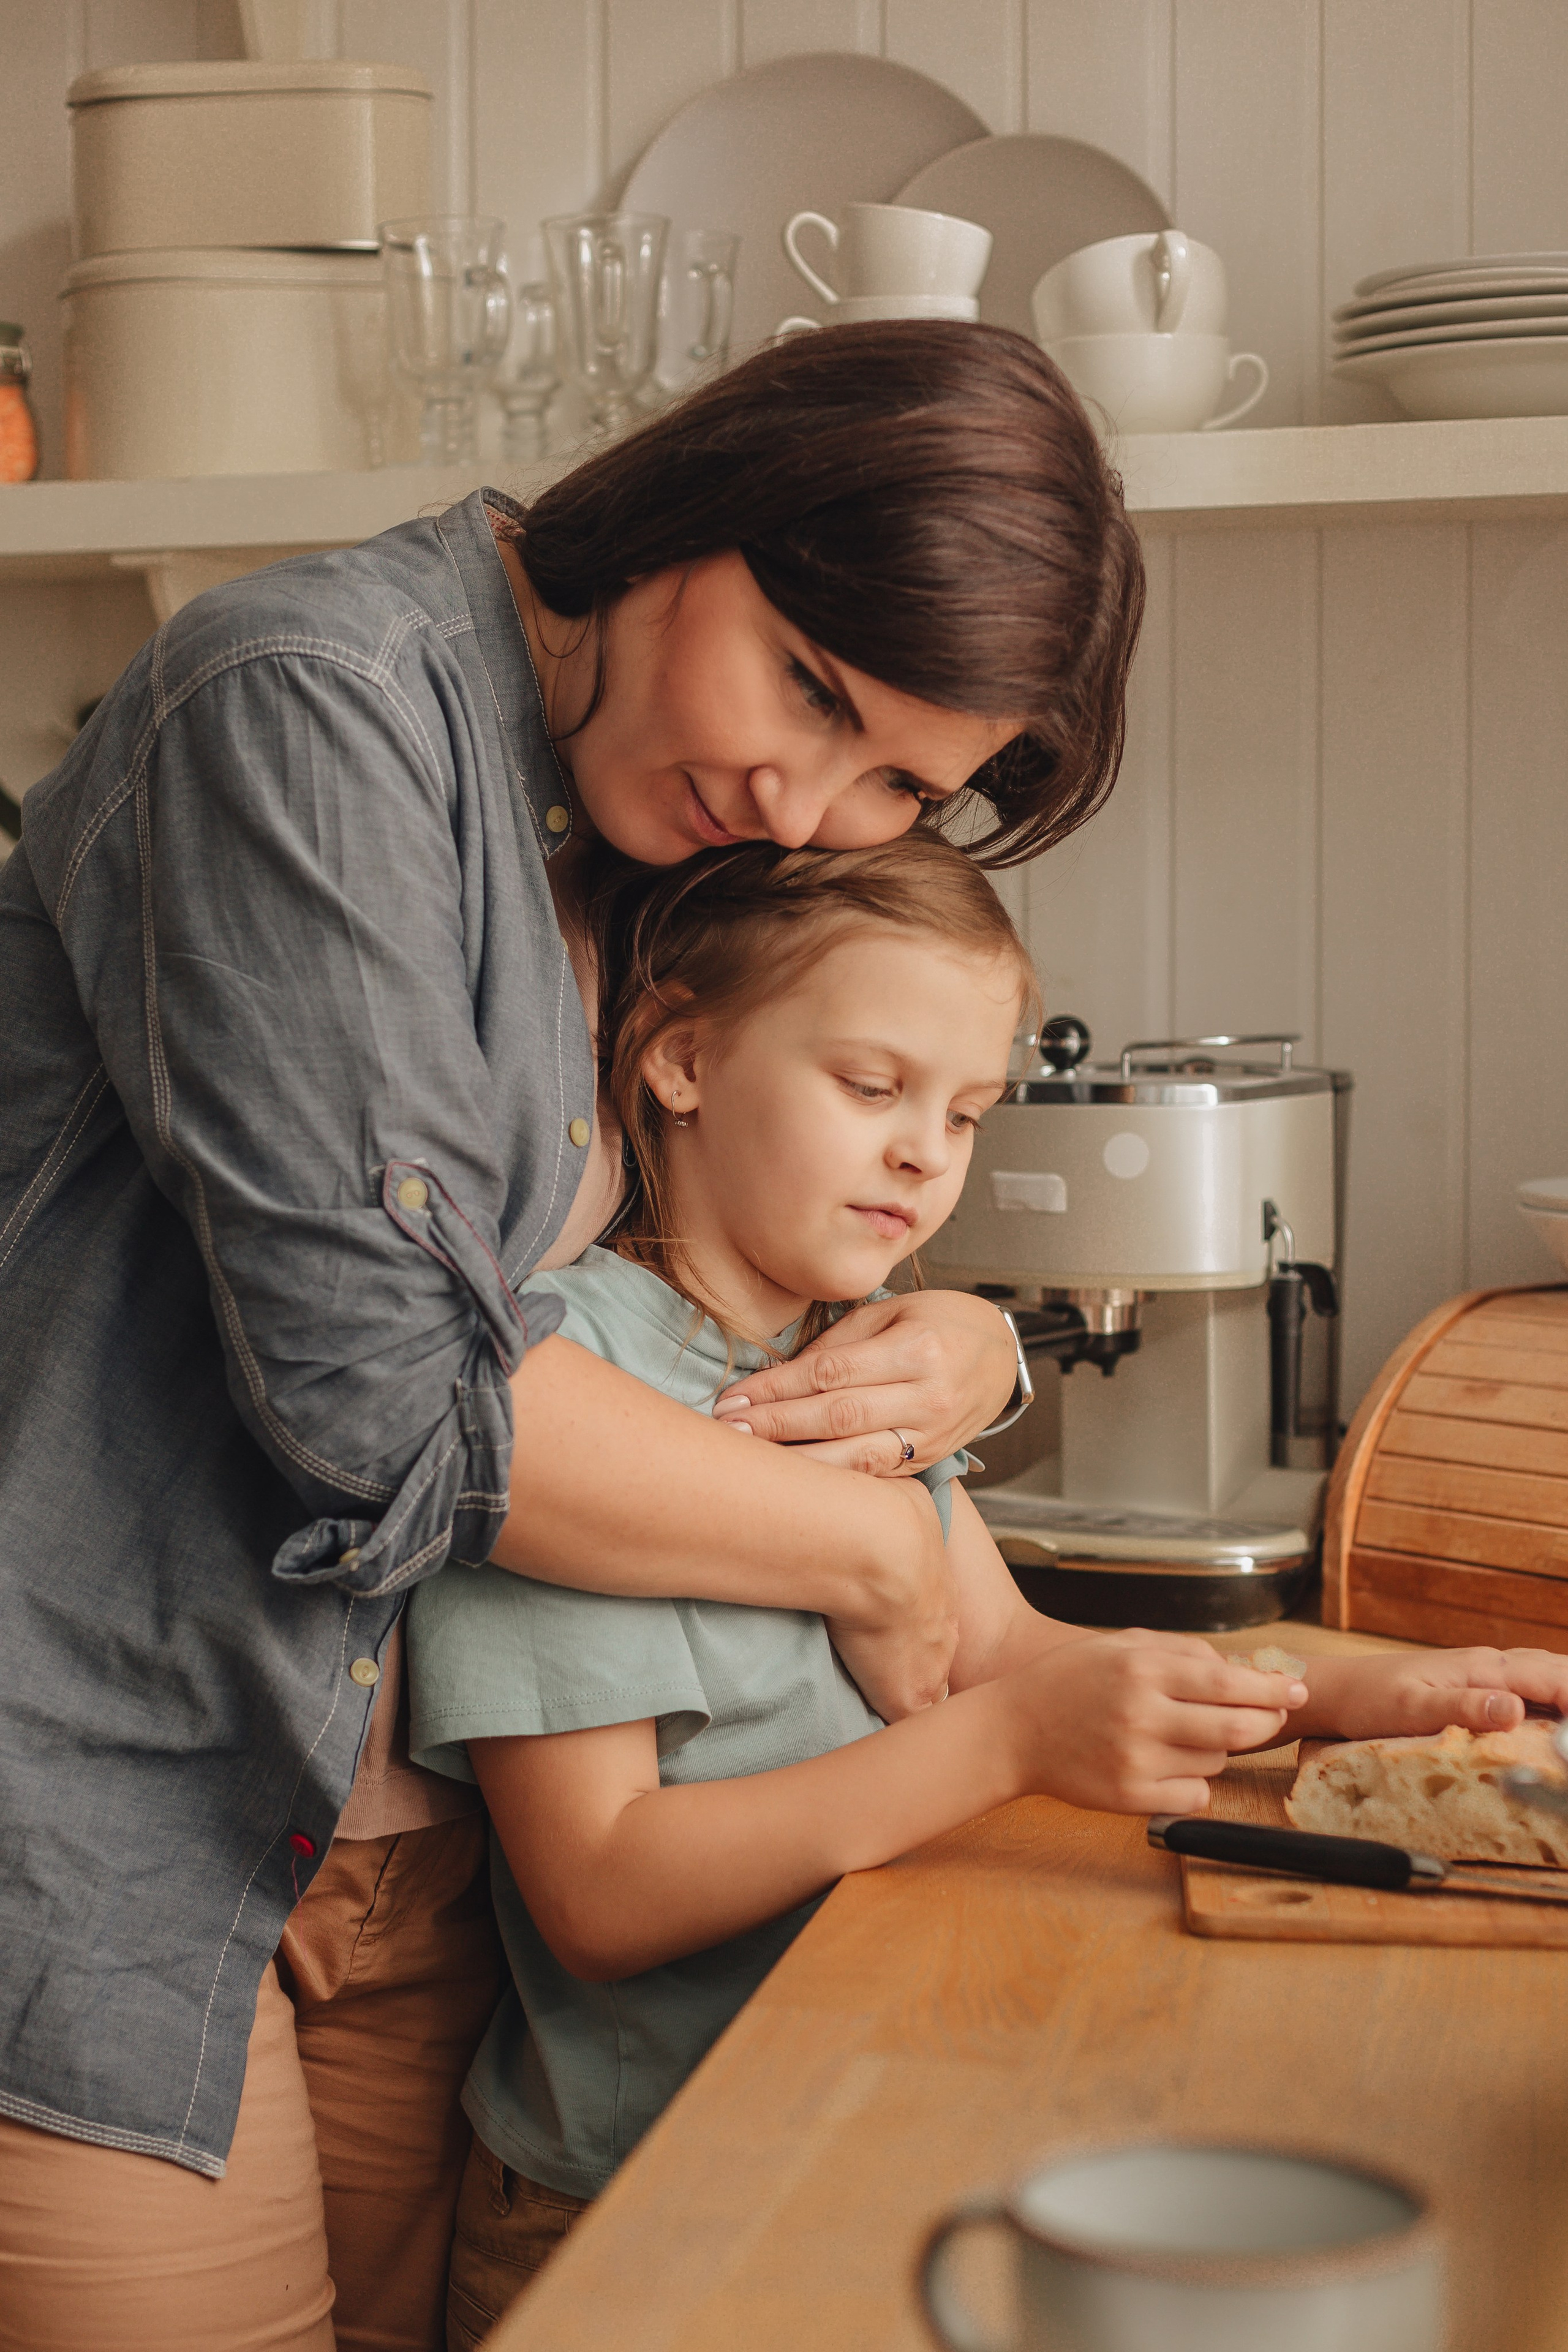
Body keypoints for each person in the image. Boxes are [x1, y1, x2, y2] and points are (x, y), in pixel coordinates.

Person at [0, 323, 1147, 2352]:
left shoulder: (641, 832)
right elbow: (388, 1417)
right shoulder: (303, 703)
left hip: (415, 1878)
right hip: (106, 1839)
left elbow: (765, 1208)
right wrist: (877, 1546)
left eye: (896, 778)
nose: (803, 796)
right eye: (809, 686)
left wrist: (960, 1338)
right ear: (709, 501)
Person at [404, 833, 1568, 2348]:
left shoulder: (857, 1356)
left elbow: (998, 1648)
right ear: (681, 1057)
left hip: (855, 2063)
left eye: (962, 1113)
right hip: (627, 2181)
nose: (924, 1155)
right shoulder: (573, 1395)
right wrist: (1006, 1749)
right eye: (871, 1087)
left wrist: (1348, 1690)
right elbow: (599, 1894)